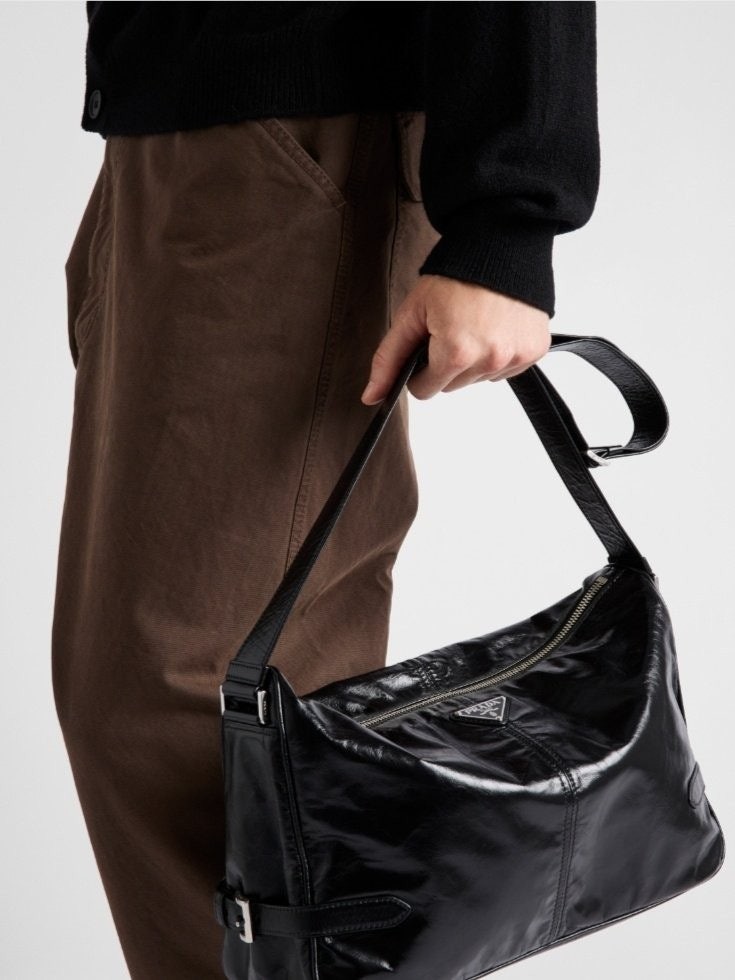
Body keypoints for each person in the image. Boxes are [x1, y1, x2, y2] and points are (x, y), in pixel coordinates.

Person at [51, 3, 600, 978]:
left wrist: (508, 207)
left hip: (286, 127)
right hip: (181, 130)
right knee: (171, 708)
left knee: (202, 709)